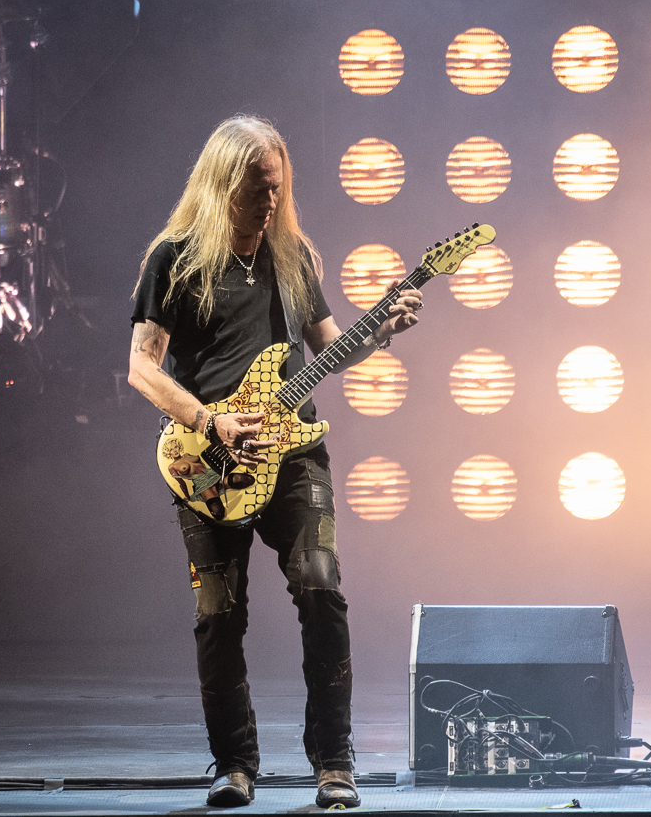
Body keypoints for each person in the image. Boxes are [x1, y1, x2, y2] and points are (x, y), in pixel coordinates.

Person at [128, 116, 423, 809]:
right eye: (257, 189)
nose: (270, 202)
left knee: (322, 589)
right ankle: (234, 765)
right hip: (208, 459)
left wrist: (381, 330)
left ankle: (334, 762)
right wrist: (210, 421)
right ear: (222, 184)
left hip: (295, 456)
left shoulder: (293, 259)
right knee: (218, 614)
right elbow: (141, 367)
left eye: (277, 188)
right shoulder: (174, 260)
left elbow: (330, 346)